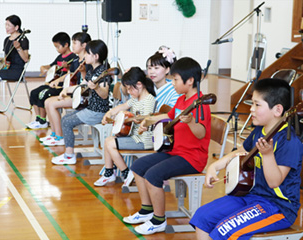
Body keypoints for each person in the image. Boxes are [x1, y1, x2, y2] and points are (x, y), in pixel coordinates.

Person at [190, 78, 303, 240]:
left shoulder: (290, 142)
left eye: (257, 105)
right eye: (252, 104)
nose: (251, 109)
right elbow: (241, 152)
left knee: (225, 229)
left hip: (278, 207)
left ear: (277, 110)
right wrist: (213, 167)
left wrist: (268, 155)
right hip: (251, 195)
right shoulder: (259, 130)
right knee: (202, 217)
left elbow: (274, 182)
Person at [122, 57, 211, 235]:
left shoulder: (200, 104)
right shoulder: (181, 100)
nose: (173, 83)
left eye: (176, 79)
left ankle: (158, 220)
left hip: (192, 158)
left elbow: (201, 133)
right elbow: (167, 116)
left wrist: (192, 122)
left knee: (154, 175)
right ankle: (147, 209)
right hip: (175, 152)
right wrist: (147, 120)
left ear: (190, 80)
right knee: (138, 167)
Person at [51, 39, 112, 165]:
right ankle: (68, 153)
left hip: (97, 111)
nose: (85, 56)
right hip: (90, 108)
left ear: (95, 56)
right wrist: (67, 89)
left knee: (66, 122)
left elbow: (105, 94)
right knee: (67, 118)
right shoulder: (92, 70)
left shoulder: (103, 73)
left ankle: (69, 155)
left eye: (88, 53)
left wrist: (97, 88)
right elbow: (83, 86)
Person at [93, 67, 156, 187]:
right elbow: (122, 106)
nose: (128, 92)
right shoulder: (135, 98)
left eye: (129, 88)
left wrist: (140, 121)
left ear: (139, 84)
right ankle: (109, 172)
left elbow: (147, 120)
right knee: (109, 139)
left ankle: (126, 173)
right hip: (134, 137)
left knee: (110, 143)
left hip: (143, 140)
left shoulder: (149, 100)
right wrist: (109, 113)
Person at [40, 32, 92, 146]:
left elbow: (86, 83)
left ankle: (59, 136)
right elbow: (70, 75)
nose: (72, 46)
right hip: (74, 92)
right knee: (47, 102)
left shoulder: (88, 61)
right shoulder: (75, 60)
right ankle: (54, 134)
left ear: (84, 45)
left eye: (74, 43)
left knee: (52, 104)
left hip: (82, 96)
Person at [26, 32, 78, 129]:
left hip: (62, 86)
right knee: (34, 93)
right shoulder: (59, 57)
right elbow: (51, 66)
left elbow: (72, 74)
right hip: (52, 84)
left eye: (58, 47)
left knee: (43, 94)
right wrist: (43, 67)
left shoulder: (73, 58)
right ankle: (38, 119)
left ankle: (43, 121)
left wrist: (67, 68)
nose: (57, 49)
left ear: (66, 45)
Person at [147, 46, 180, 111]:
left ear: (167, 70)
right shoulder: (147, 86)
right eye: (149, 68)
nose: (151, 72)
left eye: (156, 68)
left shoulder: (174, 90)